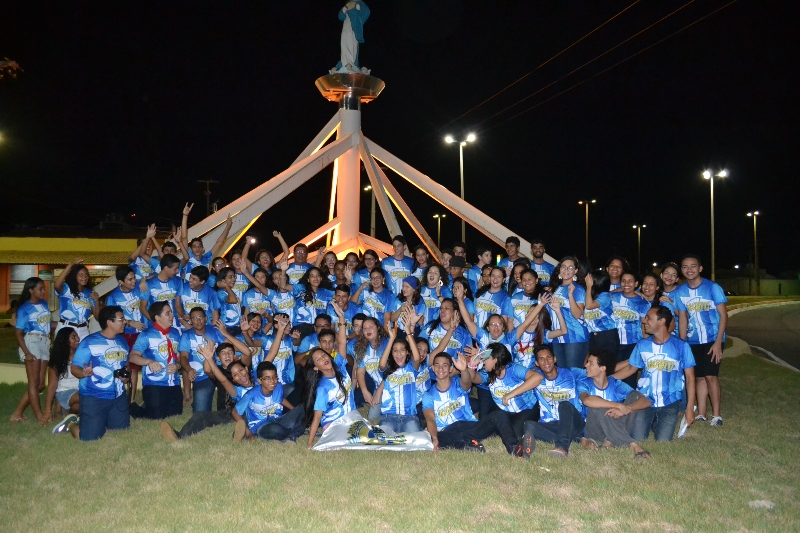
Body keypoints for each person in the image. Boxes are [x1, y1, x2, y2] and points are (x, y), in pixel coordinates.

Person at [615, 306, 697, 441]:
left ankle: (655, 422)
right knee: (638, 438)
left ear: (661, 321)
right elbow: (630, 369)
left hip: (670, 401)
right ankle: (650, 420)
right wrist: (607, 379)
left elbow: (690, 378)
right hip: (644, 400)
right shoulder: (642, 345)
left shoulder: (681, 346)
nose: (644, 321)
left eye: (648, 318)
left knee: (663, 441)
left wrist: (689, 408)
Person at [422, 351, 522, 455]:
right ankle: (468, 444)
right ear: (433, 368)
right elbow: (430, 420)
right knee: (433, 436)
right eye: (437, 365)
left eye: (445, 365)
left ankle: (514, 447)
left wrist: (464, 370)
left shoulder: (458, 384)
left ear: (451, 369)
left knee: (499, 415)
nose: (440, 369)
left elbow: (467, 383)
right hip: (447, 431)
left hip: (468, 426)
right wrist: (434, 439)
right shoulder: (428, 395)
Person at [673, 254, 727, 426]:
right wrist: (682, 344)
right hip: (693, 341)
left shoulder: (712, 287)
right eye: (685, 267)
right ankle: (702, 413)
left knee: (711, 375)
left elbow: (723, 315)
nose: (689, 270)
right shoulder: (680, 292)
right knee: (698, 377)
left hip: (712, 339)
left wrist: (718, 342)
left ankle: (717, 415)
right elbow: (682, 318)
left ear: (700, 268)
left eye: (693, 266)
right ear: (682, 270)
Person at [160, 353, 254, 442]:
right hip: (236, 412)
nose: (240, 375)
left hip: (253, 413)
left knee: (249, 416)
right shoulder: (236, 390)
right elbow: (223, 380)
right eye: (235, 375)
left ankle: (240, 435)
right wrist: (209, 359)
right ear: (233, 380)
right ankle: (179, 436)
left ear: (246, 369)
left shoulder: (259, 381)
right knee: (201, 415)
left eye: (241, 370)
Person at [69, 305, 131, 441]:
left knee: (121, 433)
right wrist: (84, 373)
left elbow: (126, 365)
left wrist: (125, 375)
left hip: (118, 397)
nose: (125, 322)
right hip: (94, 397)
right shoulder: (89, 342)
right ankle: (71, 424)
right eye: (121, 319)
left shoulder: (122, 341)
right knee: (89, 439)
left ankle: (101, 422)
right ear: (109, 322)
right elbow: (74, 368)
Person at [578, 348, 652, 458]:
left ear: (602, 368)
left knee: (634, 395)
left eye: (591, 363)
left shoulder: (615, 384)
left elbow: (646, 401)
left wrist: (627, 408)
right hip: (594, 430)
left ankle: (609, 441)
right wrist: (618, 405)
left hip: (615, 425)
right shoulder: (584, 383)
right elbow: (587, 400)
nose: (586, 365)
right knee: (598, 403)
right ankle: (633, 445)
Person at [178, 308, 253, 413]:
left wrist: (226, 333)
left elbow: (237, 348)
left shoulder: (214, 331)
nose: (198, 321)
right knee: (200, 412)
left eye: (200, 317)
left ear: (206, 319)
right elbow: (183, 357)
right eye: (194, 318)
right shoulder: (186, 336)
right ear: (190, 321)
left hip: (223, 369)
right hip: (204, 375)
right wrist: (189, 369)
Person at [520, 346, 586, 459]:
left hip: (573, 422)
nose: (546, 362)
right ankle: (576, 440)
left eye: (549, 357)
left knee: (564, 404)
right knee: (528, 425)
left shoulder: (571, 373)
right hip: (551, 424)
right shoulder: (536, 378)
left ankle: (562, 447)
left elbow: (595, 373)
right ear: (537, 363)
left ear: (555, 359)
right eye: (541, 359)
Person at [128, 302, 183, 420]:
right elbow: (132, 356)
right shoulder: (146, 334)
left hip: (174, 383)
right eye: (167, 313)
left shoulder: (175, 333)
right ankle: (132, 408)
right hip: (154, 383)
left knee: (175, 415)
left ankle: (150, 405)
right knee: (156, 417)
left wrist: (178, 366)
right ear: (157, 317)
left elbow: (179, 356)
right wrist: (149, 362)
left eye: (171, 312)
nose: (172, 315)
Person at [478, 343, 543, 441]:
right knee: (487, 429)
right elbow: (473, 379)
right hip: (504, 409)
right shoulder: (487, 372)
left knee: (515, 435)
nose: (483, 359)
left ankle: (529, 425)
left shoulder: (513, 369)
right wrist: (471, 365)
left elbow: (538, 377)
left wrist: (510, 394)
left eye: (486, 357)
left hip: (526, 408)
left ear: (495, 359)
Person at [9, 277, 52, 423]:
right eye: (40, 289)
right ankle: (39, 416)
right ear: (31, 290)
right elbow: (18, 332)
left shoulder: (44, 304)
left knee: (40, 384)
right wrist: (27, 352)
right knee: (34, 383)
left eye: (44, 288)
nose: (43, 291)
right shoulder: (24, 308)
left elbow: (47, 324)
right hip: (32, 341)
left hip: (45, 341)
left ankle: (17, 414)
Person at [235, 361, 305, 443]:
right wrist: (248, 432)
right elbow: (235, 412)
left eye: (274, 377)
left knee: (303, 408)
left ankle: (292, 432)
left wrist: (295, 412)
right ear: (259, 381)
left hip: (279, 419)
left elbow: (281, 399)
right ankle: (294, 433)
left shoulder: (278, 386)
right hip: (261, 426)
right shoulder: (250, 395)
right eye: (267, 378)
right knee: (275, 429)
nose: (272, 381)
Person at [105, 265, 147, 403]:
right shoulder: (113, 297)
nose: (133, 281)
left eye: (134, 278)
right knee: (123, 365)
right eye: (130, 279)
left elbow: (155, 276)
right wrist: (129, 322)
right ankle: (119, 396)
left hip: (140, 334)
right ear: (121, 281)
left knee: (135, 368)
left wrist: (144, 279)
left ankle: (132, 400)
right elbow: (109, 317)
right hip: (123, 335)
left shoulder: (139, 287)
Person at [373, 319, 423, 433]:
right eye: (395, 351)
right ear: (391, 354)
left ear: (407, 352)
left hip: (409, 417)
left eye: (402, 350)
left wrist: (408, 332)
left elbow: (417, 358)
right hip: (388, 416)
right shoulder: (387, 371)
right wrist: (391, 339)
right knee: (382, 438)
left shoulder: (411, 369)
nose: (399, 353)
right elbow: (382, 364)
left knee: (415, 439)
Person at [303, 341, 355, 448]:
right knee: (350, 440)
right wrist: (309, 445)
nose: (323, 359)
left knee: (368, 435)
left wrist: (341, 327)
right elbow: (317, 417)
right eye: (318, 359)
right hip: (333, 424)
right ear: (316, 367)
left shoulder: (340, 366)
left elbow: (342, 343)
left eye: (324, 355)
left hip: (351, 418)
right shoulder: (323, 388)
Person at [548, 257, 590, 370]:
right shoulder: (558, 288)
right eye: (564, 267)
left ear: (575, 271)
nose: (566, 270)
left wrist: (570, 295)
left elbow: (577, 314)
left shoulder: (578, 289)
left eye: (570, 268)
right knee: (563, 373)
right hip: (558, 337)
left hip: (574, 337)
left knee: (573, 373)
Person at [611, 271, 650, 386]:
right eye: (623, 281)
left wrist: (645, 345)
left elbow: (644, 325)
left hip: (633, 344)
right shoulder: (613, 298)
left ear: (636, 283)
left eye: (630, 281)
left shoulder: (643, 302)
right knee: (613, 373)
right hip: (614, 342)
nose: (626, 284)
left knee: (630, 378)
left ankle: (629, 397)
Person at [179, 203, 232, 282]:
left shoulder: (207, 258)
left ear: (203, 249)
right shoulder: (188, 256)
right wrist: (185, 216)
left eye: (199, 246)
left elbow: (219, 243)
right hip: (188, 288)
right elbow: (184, 237)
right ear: (190, 249)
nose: (197, 248)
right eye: (194, 246)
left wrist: (228, 227)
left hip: (203, 288)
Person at [352, 316, 390, 419]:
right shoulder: (363, 348)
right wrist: (365, 391)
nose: (368, 330)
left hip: (393, 385)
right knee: (372, 418)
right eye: (365, 328)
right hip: (378, 388)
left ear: (378, 328)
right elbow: (360, 372)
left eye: (371, 326)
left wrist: (378, 392)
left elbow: (392, 370)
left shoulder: (387, 343)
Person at [46, 328, 82, 433]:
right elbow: (52, 386)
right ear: (65, 340)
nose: (77, 339)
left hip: (80, 390)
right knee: (86, 397)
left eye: (77, 336)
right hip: (65, 392)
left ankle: (69, 416)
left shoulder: (81, 355)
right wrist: (48, 410)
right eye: (73, 337)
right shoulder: (57, 359)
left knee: (80, 407)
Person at [54, 258, 100, 340]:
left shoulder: (89, 293)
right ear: (74, 276)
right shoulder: (66, 289)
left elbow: (97, 317)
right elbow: (57, 285)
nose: (84, 277)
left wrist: (96, 301)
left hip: (83, 330)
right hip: (66, 328)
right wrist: (70, 265)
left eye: (86, 275)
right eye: (81, 275)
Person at [140, 254, 185, 330]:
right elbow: (142, 308)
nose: (177, 271)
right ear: (166, 268)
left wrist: (184, 317)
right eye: (175, 269)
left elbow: (177, 305)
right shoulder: (149, 284)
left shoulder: (178, 281)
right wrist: (156, 323)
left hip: (175, 324)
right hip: (157, 326)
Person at [583, 270, 620, 356]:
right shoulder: (590, 296)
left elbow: (589, 306)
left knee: (606, 362)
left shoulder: (605, 296)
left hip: (606, 335)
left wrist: (589, 287)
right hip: (594, 335)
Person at [336, 0, 370, 73]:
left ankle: (350, 64)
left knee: (352, 44)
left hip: (354, 27)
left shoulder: (360, 3)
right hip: (345, 27)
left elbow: (366, 13)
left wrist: (357, 8)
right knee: (344, 44)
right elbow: (341, 17)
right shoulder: (348, 3)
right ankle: (345, 64)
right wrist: (345, 8)